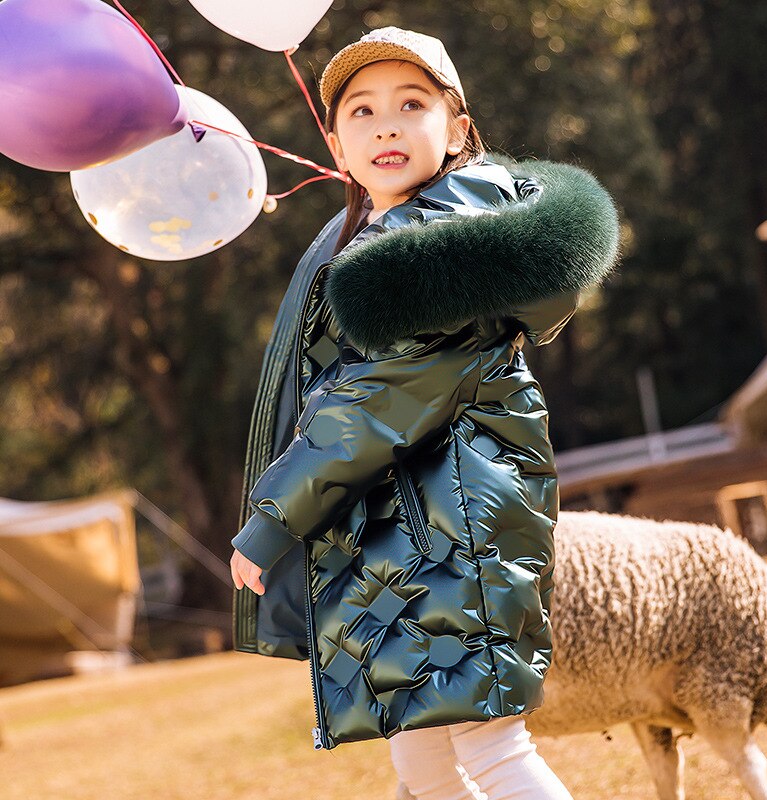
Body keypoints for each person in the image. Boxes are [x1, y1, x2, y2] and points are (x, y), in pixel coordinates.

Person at [229, 25, 620, 800]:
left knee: (490, 747)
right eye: (362, 112)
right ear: (336, 146)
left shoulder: (442, 242)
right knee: (421, 758)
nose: (388, 125)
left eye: (412, 104)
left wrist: (273, 516)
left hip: (450, 527)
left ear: (458, 131)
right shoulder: (365, 239)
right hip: (392, 536)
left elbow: (377, 400)